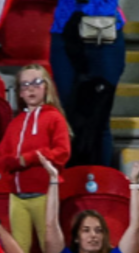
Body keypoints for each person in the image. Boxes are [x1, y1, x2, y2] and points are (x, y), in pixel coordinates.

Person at [0, 64, 71, 253]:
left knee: (51, 249)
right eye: (25, 84)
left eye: (36, 83)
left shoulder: (54, 118)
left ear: (46, 87)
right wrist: (14, 162)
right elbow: (1, 156)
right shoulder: (16, 122)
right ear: (19, 92)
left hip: (45, 194)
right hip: (17, 197)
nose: (30, 88)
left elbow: (62, 152)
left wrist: (27, 158)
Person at [50, 0, 126, 164]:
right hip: (64, 30)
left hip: (104, 33)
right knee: (68, 115)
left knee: (100, 116)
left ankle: (99, 182)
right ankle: (71, 182)